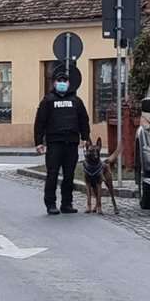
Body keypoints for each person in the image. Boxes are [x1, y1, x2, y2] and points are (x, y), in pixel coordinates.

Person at [34, 67, 90, 215]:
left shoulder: (76, 101)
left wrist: (85, 138)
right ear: (54, 83)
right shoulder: (48, 100)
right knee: (52, 174)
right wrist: (39, 142)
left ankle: (67, 203)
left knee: (69, 175)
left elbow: (84, 120)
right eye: (60, 81)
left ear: (69, 83)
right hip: (54, 143)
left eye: (65, 81)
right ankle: (51, 203)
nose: (62, 83)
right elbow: (40, 122)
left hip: (71, 143)